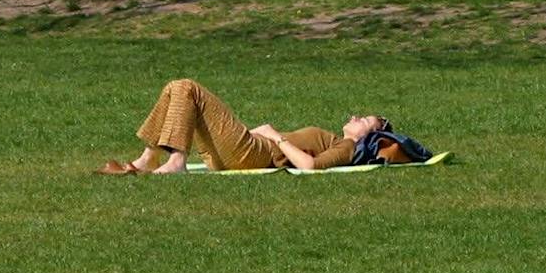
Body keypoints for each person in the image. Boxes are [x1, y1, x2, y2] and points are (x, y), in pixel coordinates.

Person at [99, 77, 406, 176]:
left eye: (364, 120)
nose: (355, 117)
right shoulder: (336, 138)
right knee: (175, 88)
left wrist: (275, 136)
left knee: (188, 88)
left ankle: (174, 159)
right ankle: (150, 156)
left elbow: (310, 167)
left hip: (255, 153)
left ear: (370, 136)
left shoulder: (348, 147)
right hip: (243, 151)